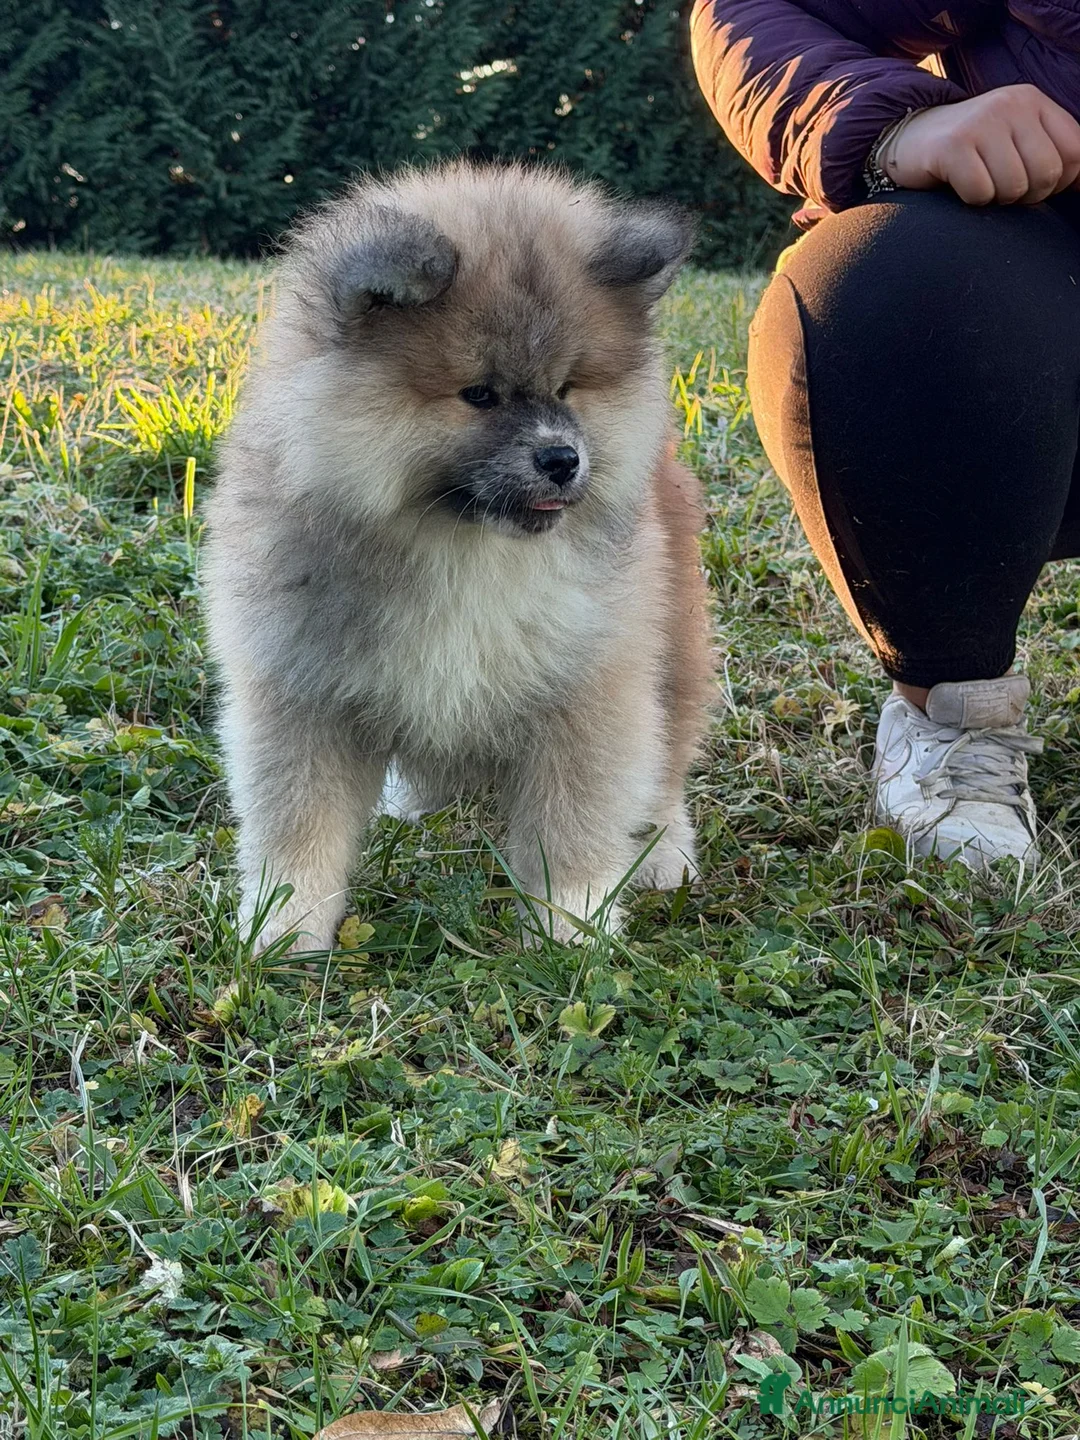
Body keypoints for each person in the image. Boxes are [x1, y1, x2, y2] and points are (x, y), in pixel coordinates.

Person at [691, 0, 1080, 868]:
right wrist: (894, 123)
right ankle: (952, 703)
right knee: (892, 288)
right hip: (1045, 286)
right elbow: (753, 9)